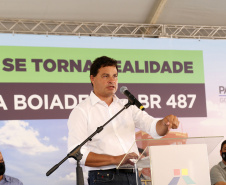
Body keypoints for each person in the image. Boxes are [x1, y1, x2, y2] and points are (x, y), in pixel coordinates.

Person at [67, 56, 180, 185]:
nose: (112, 80)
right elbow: (76, 154)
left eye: (115, 76)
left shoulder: (128, 106)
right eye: (106, 76)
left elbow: (154, 128)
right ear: (92, 78)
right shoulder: (81, 111)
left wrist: (165, 123)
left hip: (133, 176)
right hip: (104, 178)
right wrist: (116, 159)